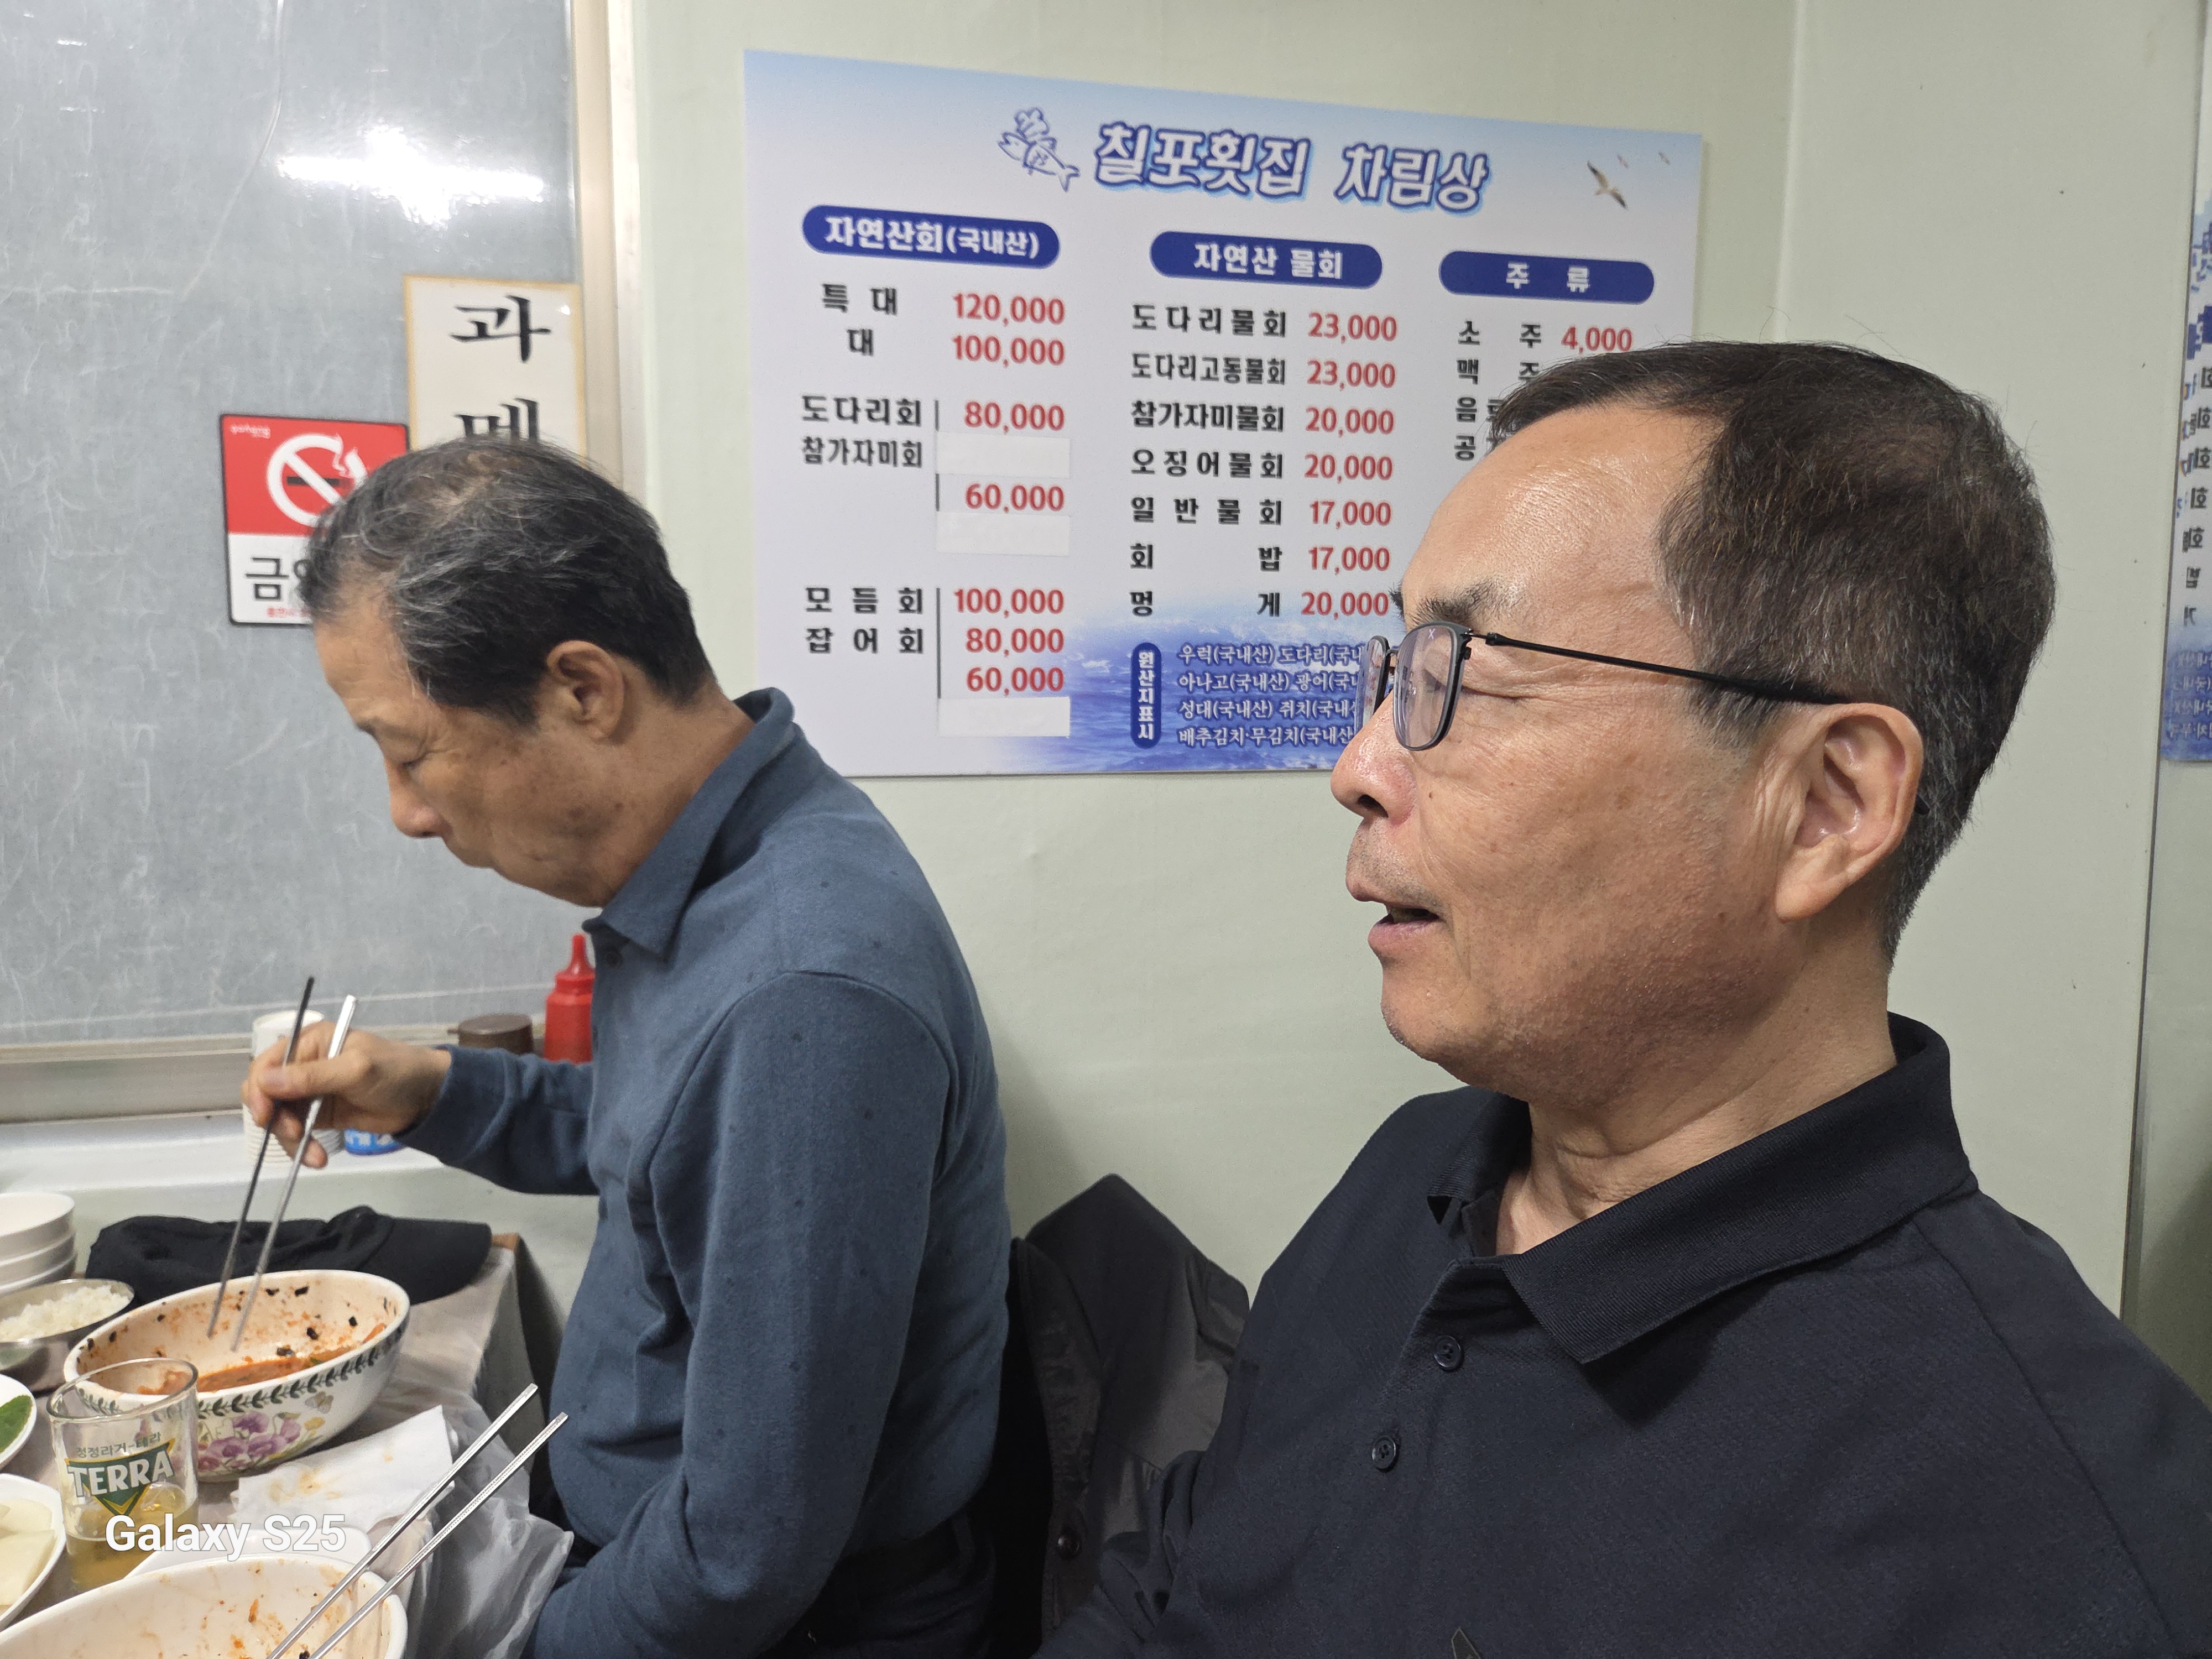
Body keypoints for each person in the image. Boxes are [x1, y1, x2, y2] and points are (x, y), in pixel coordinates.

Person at [1045, 343, 2212, 1657]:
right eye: (1398, 669)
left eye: (1467, 672)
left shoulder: (2058, 1555)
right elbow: (1179, 1584)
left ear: (1823, 803)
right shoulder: (1414, 1174)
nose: (1358, 765)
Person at [243, 439, 1010, 1659]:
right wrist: (429, 1091)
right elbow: (680, 1146)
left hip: (784, 1621)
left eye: (410, 750)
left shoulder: (801, 992)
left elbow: (741, 1556)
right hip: (651, 1540)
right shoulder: (730, 859)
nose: (407, 812)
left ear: (582, 690)